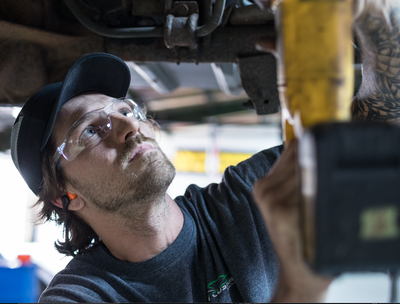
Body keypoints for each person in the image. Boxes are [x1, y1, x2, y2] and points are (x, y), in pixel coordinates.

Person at [9, 0, 400, 302]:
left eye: (126, 110)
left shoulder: (247, 200)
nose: (131, 127)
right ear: (65, 195)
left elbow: (375, 128)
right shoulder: (84, 295)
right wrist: (300, 287)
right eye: (92, 131)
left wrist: (378, 31)